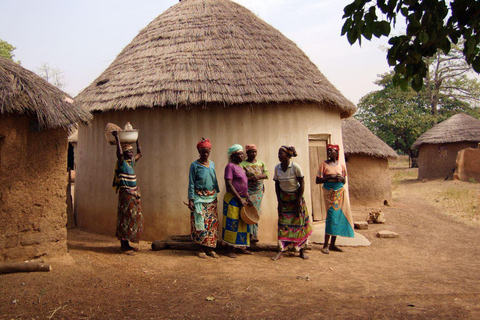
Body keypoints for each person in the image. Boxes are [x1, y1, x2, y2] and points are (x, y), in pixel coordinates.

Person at [272, 146, 313, 261]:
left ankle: (302, 250)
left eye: (281, 154)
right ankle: (280, 250)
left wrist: (298, 201)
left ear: (288, 155)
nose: (279, 156)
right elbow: (277, 185)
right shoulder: (277, 168)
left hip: (296, 198)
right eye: (278, 154)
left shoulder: (295, 167)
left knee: (299, 224)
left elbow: (302, 184)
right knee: (282, 224)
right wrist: (279, 202)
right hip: (284, 199)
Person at [316, 144, 354, 254]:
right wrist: (329, 177)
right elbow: (318, 180)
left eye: (331, 151)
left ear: (337, 153)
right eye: (328, 151)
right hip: (329, 192)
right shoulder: (323, 164)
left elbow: (344, 181)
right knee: (331, 216)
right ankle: (325, 245)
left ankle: (332, 244)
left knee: (337, 217)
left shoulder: (341, 166)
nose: (329, 153)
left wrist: (342, 178)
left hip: (339, 193)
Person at [188, 138, 220, 259]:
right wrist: (191, 199)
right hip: (199, 198)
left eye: (207, 152)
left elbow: (214, 179)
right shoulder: (194, 166)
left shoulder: (212, 164)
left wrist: (216, 192)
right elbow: (191, 183)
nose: (205, 154)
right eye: (203, 152)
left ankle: (210, 248)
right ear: (199, 151)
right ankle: (200, 248)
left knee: (211, 224)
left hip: (211, 197)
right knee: (200, 223)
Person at [112, 131, 144, 254]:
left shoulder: (131, 162)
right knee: (125, 218)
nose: (131, 154)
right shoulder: (121, 163)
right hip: (126, 195)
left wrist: (137, 139)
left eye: (131, 152)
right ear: (124, 154)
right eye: (128, 152)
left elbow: (140, 153)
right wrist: (117, 138)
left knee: (133, 218)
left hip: (134, 194)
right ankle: (123, 246)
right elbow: (119, 154)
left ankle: (127, 244)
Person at [222, 144, 253, 258]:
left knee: (242, 223)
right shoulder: (230, 166)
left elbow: (244, 184)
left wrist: (247, 196)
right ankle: (229, 249)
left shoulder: (240, 167)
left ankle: (240, 247)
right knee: (232, 223)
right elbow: (229, 184)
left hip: (242, 199)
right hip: (233, 199)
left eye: (242, 153)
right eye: (239, 154)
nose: (242, 156)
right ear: (233, 156)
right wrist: (239, 199)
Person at [240, 144, 268, 243]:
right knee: (248, 211)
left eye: (255, 152)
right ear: (247, 153)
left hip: (258, 191)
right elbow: (241, 178)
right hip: (248, 190)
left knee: (256, 211)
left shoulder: (261, 163)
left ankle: (254, 234)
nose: (254, 154)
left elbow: (266, 174)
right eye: (251, 152)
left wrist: (259, 177)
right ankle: (249, 234)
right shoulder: (242, 164)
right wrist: (251, 178)